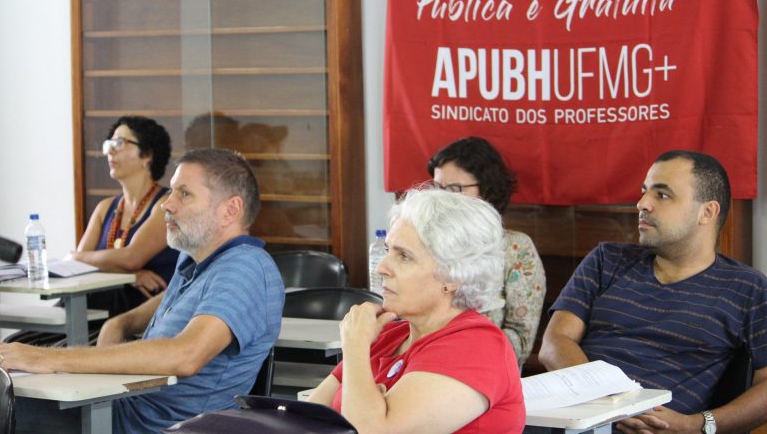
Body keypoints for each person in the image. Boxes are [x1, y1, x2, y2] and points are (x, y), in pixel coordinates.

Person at [0, 148, 285, 433]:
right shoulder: (196, 258)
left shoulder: (245, 268)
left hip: (149, 427)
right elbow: (184, 298)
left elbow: (186, 356)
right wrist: (121, 322)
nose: (167, 204)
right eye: (171, 191)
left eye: (184, 194)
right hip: (118, 407)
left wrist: (44, 357)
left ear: (230, 210)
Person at [539, 150, 767, 434]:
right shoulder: (606, 259)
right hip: (573, 418)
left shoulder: (748, 288)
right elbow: (554, 343)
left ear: (706, 212)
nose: (642, 204)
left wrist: (698, 425)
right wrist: (608, 403)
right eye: (645, 192)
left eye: (662, 195)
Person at [308, 188, 525, 434]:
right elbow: (306, 421)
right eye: (389, 250)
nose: (382, 267)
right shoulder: (387, 335)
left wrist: (355, 346)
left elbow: (371, 431)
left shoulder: (476, 345)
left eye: (404, 257)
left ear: (452, 276)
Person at [427, 136, 546, 366]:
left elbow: (521, 342)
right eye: (438, 188)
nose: (442, 199)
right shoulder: (424, 243)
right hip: (421, 362)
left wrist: (452, 348)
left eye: (455, 189)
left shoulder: (516, 250)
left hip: (483, 371)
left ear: (487, 189)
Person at [71, 116, 178, 314]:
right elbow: (75, 265)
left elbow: (131, 258)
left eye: (120, 143)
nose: (111, 150)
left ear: (147, 155)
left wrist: (127, 269)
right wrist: (132, 275)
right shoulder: (105, 208)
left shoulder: (166, 203)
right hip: (99, 305)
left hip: (144, 312)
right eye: (109, 144)